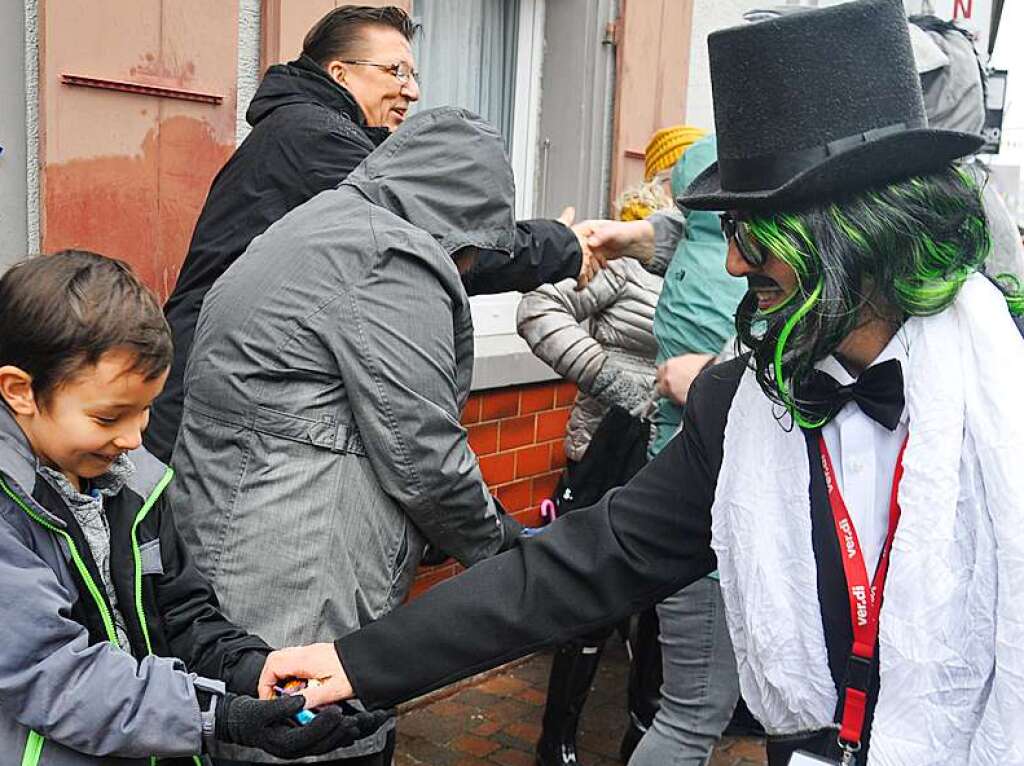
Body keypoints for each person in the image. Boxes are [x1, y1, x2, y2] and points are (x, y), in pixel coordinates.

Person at [257, 3, 1024, 765]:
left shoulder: (1005, 391)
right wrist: (363, 661)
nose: (731, 266)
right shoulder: (743, 407)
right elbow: (597, 557)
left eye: (754, 234)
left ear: (852, 233)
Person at [167, 108, 529, 765]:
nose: (470, 263)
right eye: (473, 244)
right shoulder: (387, 254)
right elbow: (425, 455)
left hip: (239, 560)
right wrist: (510, 554)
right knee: (314, 740)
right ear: (456, 213)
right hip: (298, 582)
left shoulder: (318, 225)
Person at [145, 4, 596, 463]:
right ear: (339, 73)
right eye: (396, 71)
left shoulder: (308, 130)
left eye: (413, 74)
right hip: (204, 409)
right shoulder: (318, 139)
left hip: (221, 394)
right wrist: (566, 247)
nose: (413, 91)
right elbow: (441, 245)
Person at [0, 250, 388, 766]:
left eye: (146, 410)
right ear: (20, 390)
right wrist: (218, 715)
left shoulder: (129, 483)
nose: (135, 438)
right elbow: (52, 674)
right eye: (109, 416)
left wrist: (256, 672)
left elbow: (181, 613)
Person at [517, 175, 673, 766]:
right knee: (592, 601)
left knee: (661, 609)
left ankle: (645, 733)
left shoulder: (722, 272)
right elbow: (538, 309)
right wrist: (612, 379)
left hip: (669, 459)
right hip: (605, 456)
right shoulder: (624, 267)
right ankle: (556, 741)